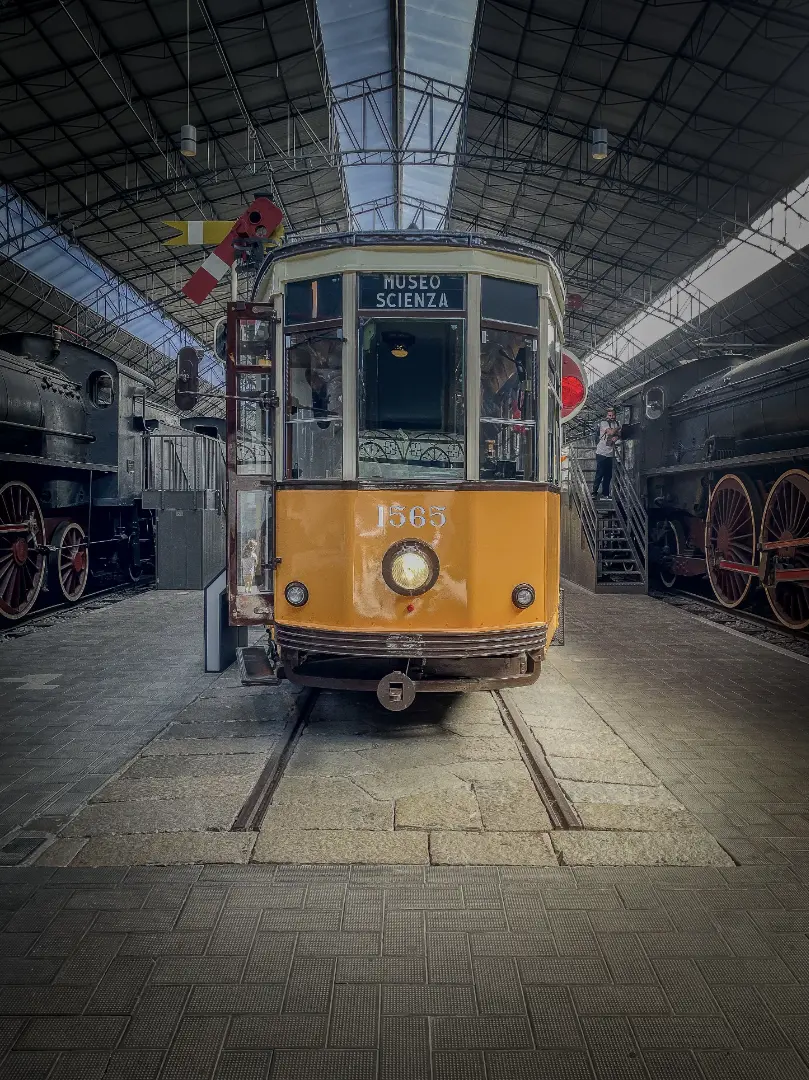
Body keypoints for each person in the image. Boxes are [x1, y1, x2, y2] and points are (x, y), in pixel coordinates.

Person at [592, 407, 621, 498]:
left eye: (613, 415)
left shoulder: (617, 423)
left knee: (608, 475)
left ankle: (605, 493)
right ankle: (594, 492)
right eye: (610, 415)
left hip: (611, 453)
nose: (612, 417)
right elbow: (611, 432)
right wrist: (618, 429)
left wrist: (617, 436)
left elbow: (620, 434)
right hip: (601, 452)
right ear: (606, 416)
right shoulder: (604, 423)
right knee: (600, 472)